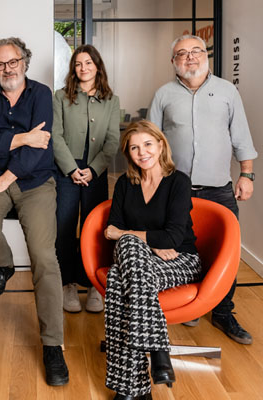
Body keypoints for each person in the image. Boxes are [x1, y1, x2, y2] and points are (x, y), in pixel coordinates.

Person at [0, 37, 67, 386]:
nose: (7, 69)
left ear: (24, 61)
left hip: (35, 182)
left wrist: (6, 175)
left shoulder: (41, 94)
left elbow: (42, 147)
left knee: (44, 256)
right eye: (0, 64)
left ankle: (53, 346)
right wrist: (24, 137)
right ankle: (5, 265)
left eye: (13, 62)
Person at [148, 34, 258, 345]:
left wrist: (247, 175)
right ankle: (192, 304)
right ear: (173, 61)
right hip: (175, 191)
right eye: (182, 53)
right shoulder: (163, 94)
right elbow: (150, 141)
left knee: (226, 251)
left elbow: (241, 136)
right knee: (182, 250)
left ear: (205, 55)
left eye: (196, 51)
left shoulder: (227, 91)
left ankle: (223, 312)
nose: (190, 57)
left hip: (219, 189)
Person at [104, 120, 201, 400]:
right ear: (128, 153)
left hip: (181, 259)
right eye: (134, 148)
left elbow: (173, 239)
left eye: (147, 144)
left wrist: (134, 237)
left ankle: (131, 389)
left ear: (160, 145)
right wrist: (151, 243)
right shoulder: (125, 184)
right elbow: (110, 230)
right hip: (142, 260)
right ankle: (158, 351)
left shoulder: (178, 182)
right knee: (128, 247)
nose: (142, 152)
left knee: (117, 278)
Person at [52, 44, 120, 314]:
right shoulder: (60, 97)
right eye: (78, 64)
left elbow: (113, 140)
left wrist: (94, 169)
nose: (83, 68)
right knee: (64, 228)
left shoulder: (111, 100)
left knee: (94, 229)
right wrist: (71, 169)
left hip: (96, 171)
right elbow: (55, 136)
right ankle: (67, 284)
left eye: (88, 63)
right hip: (66, 171)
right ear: (73, 68)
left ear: (97, 66)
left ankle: (94, 283)